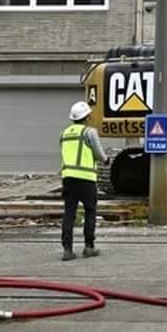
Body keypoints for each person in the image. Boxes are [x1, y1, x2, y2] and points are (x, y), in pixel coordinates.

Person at [60, 101, 108, 261]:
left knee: (69, 214)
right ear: (87, 117)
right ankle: (89, 247)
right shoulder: (89, 132)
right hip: (86, 179)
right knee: (90, 211)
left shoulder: (64, 133)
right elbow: (99, 154)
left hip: (68, 179)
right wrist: (106, 160)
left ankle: (67, 250)